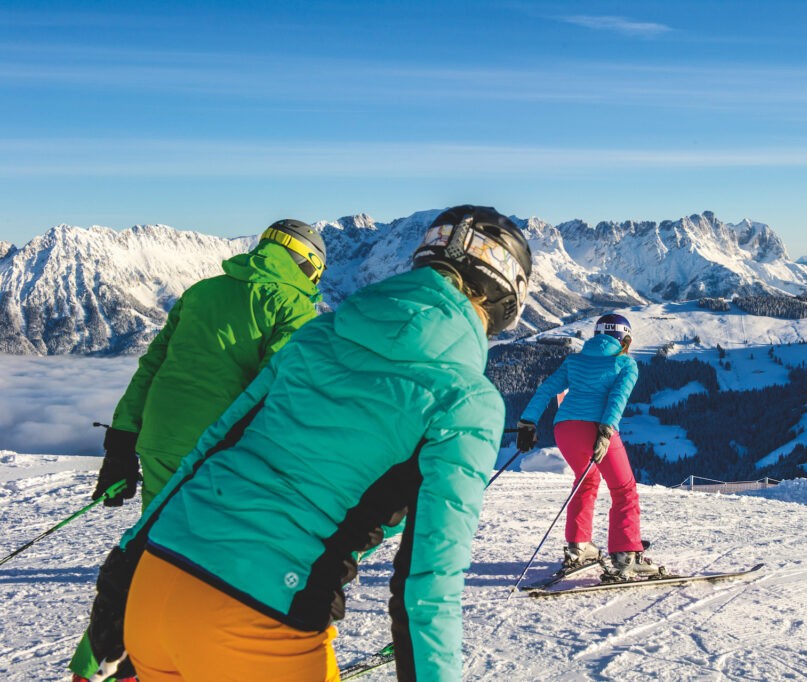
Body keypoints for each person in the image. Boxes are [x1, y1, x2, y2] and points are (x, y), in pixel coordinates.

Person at [81, 205, 532, 682]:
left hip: (155, 585)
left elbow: (211, 449)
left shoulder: (319, 334)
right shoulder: (467, 400)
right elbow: (428, 588)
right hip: (256, 620)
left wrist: (117, 582)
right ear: (510, 295)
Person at [71, 218, 327, 681]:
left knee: (153, 547)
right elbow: (281, 396)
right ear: (308, 267)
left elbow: (151, 367)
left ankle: (109, 665)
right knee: (207, 567)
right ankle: (172, 664)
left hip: (158, 438)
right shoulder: (293, 307)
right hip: (218, 452)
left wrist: (122, 444)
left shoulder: (202, 291)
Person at [517, 313, 658, 578]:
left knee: (585, 482)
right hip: (597, 428)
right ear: (625, 338)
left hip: (565, 429)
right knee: (624, 489)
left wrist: (528, 422)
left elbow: (546, 389)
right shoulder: (625, 364)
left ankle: (578, 547)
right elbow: (618, 398)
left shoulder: (575, 360)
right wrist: (605, 432)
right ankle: (626, 556)